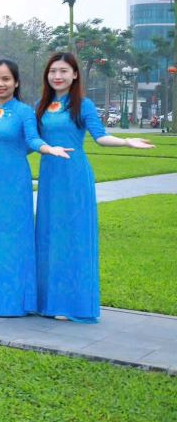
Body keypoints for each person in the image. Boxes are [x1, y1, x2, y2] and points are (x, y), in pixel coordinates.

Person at [34, 52, 153, 323]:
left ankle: (72, 303)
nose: (57, 76)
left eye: (64, 71)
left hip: (74, 177)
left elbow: (101, 137)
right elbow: (32, 139)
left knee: (73, 237)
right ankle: (48, 300)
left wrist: (126, 142)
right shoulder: (41, 106)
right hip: (50, 178)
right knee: (49, 236)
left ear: (75, 74)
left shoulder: (82, 105)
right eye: (53, 71)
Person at [0, 59, 70, 317]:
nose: (0, 84)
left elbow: (33, 139)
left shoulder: (23, 112)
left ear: (16, 83)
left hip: (16, 183)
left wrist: (48, 149)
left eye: (6, 79)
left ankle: (16, 300)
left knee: (15, 237)